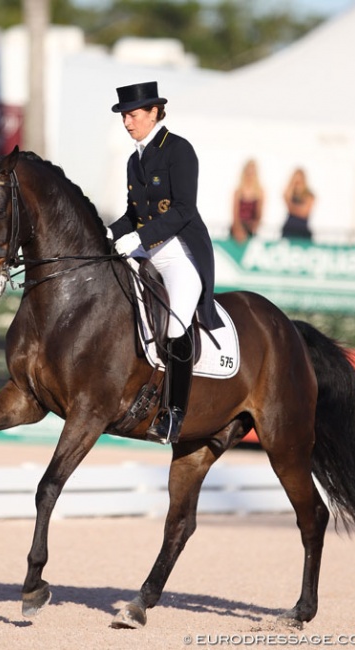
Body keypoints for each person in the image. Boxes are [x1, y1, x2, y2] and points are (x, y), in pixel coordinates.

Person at [107, 81, 222, 444]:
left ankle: (174, 413)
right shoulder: (133, 159)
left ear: (155, 112)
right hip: (145, 250)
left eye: (133, 115)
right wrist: (107, 234)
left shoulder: (178, 150)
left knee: (175, 327)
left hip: (179, 253)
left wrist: (138, 238)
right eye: (124, 116)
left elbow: (185, 210)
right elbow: (132, 214)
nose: (127, 122)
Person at [230, 159, 264, 242]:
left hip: (251, 229)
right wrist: (238, 230)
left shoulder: (260, 192)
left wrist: (253, 228)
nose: (250, 176)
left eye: (252, 173)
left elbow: (259, 214)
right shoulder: (238, 191)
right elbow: (235, 214)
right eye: (248, 173)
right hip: (237, 228)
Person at [281, 168, 315, 241]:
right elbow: (286, 197)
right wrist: (292, 186)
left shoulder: (309, 195)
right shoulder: (290, 193)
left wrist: (293, 207)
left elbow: (304, 212)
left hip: (302, 230)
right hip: (289, 229)